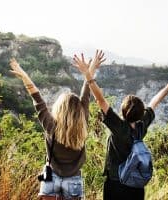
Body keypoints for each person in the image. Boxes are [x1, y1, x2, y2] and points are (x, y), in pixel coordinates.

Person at [73, 50, 168, 200]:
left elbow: (100, 100)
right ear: (141, 113)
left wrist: (88, 74)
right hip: (136, 184)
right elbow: (155, 101)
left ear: (123, 112)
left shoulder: (119, 127)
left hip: (116, 183)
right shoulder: (142, 125)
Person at [9, 57, 103, 200]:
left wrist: (25, 76)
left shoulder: (50, 126)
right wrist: (90, 70)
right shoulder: (83, 120)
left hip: (51, 178)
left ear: (59, 108)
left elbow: (37, 99)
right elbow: (86, 92)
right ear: (79, 110)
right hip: (74, 180)